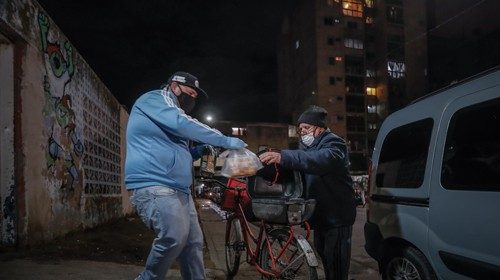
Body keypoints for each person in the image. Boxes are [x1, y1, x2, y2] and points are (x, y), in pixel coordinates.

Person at [125, 71, 246, 280]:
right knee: (173, 236)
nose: (192, 99)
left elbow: (178, 151)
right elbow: (183, 123)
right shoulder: (155, 99)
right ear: (174, 86)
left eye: (195, 97)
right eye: (190, 93)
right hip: (155, 183)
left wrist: (198, 151)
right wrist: (225, 140)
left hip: (180, 190)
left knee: (193, 244)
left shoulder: (170, 114)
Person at [259, 105, 356, 280]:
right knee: (326, 258)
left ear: (319, 128)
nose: (302, 132)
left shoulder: (334, 143)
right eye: (300, 129)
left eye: (307, 128)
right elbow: (295, 170)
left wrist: (284, 156)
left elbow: (321, 159)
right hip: (320, 216)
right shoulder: (306, 149)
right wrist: (258, 167)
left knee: (336, 265)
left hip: (337, 217)